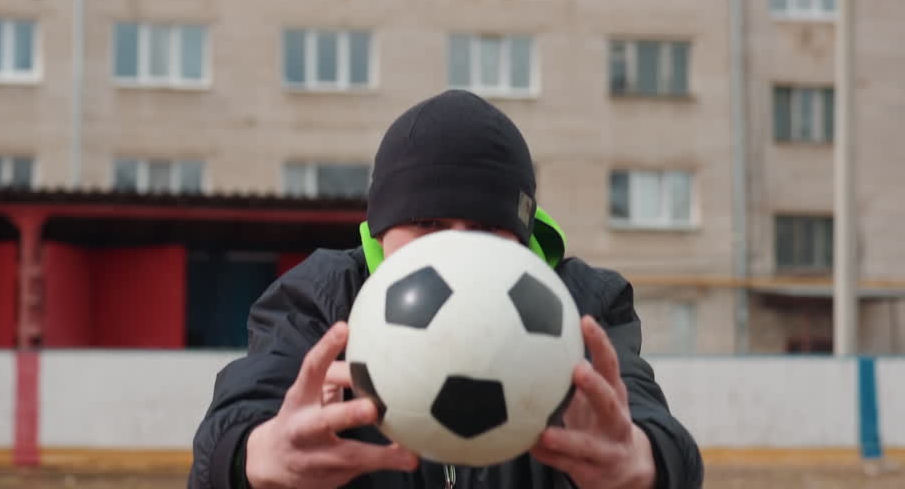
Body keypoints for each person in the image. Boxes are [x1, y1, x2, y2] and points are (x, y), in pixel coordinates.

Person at [188, 90, 703, 489]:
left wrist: (644, 461)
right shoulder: (321, 297)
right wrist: (254, 457)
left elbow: (650, 421)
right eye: (428, 223)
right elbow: (239, 416)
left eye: (485, 227)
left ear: (522, 234)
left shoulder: (582, 303)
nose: (457, 249)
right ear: (381, 230)